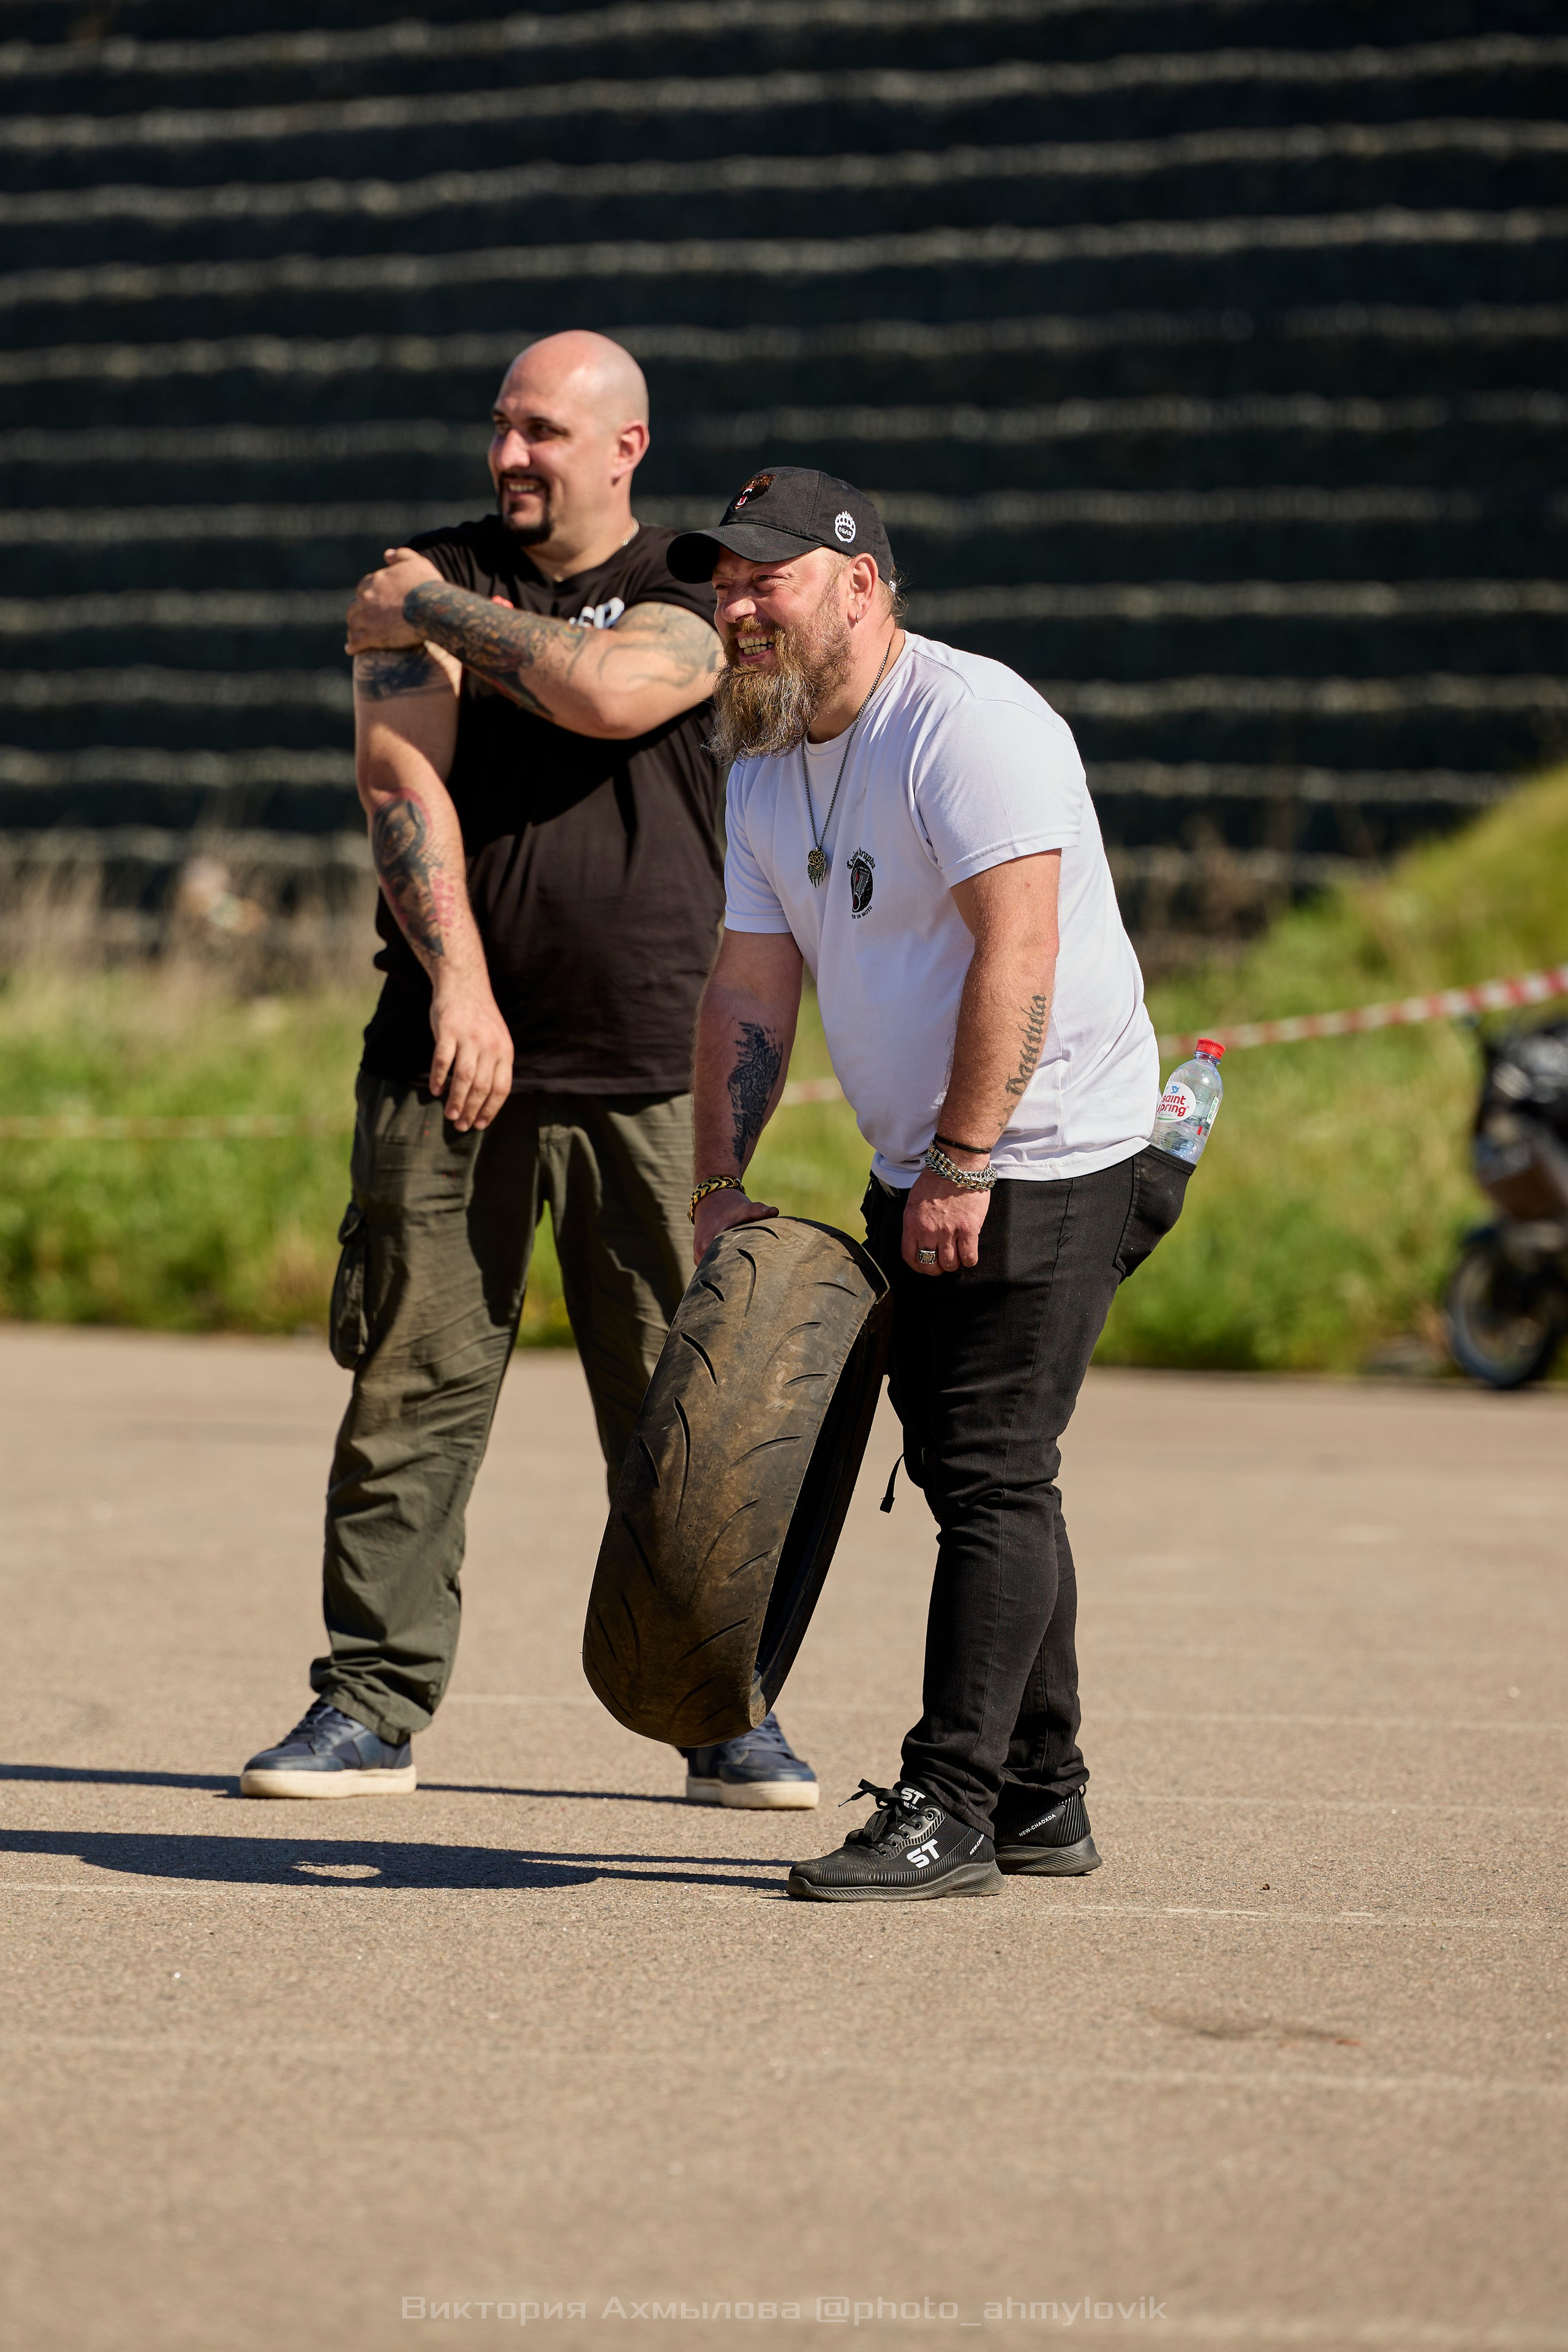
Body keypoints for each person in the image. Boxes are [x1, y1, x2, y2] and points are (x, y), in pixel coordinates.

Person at [239, 335, 816, 1811]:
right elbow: (397, 775)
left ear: (624, 446)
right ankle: (368, 1706)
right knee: (411, 1395)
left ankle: (718, 1715)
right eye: (501, 427)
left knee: (679, 1411)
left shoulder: (691, 590)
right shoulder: (436, 566)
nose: (509, 456)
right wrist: (463, 988)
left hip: (649, 1063)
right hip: (449, 1061)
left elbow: (614, 695)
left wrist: (426, 607)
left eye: (543, 433)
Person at [674, 466, 1188, 1899]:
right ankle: (1041, 1797)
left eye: (761, 578)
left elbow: (1015, 953)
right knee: (984, 1466)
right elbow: (750, 986)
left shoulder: (967, 724)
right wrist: (720, 1178)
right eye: (719, 582)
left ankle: (951, 1803)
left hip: (1045, 1146)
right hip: (928, 1160)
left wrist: (963, 1159)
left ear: (858, 582)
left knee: (990, 1473)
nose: (734, 606)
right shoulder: (766, 761)